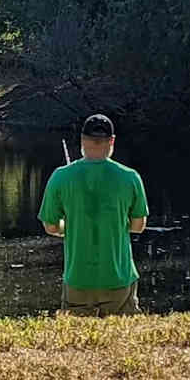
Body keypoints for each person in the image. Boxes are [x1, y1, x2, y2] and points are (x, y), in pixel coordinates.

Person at [38, 114, 148, 316]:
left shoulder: (60, 176)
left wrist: (67, 228)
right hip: (119, 279)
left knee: (78, 342)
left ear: (82, 140)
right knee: (121, 339)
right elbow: (138, 225)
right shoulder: (131, 177)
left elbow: (51, 227)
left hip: (78, 280)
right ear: (112, 141)